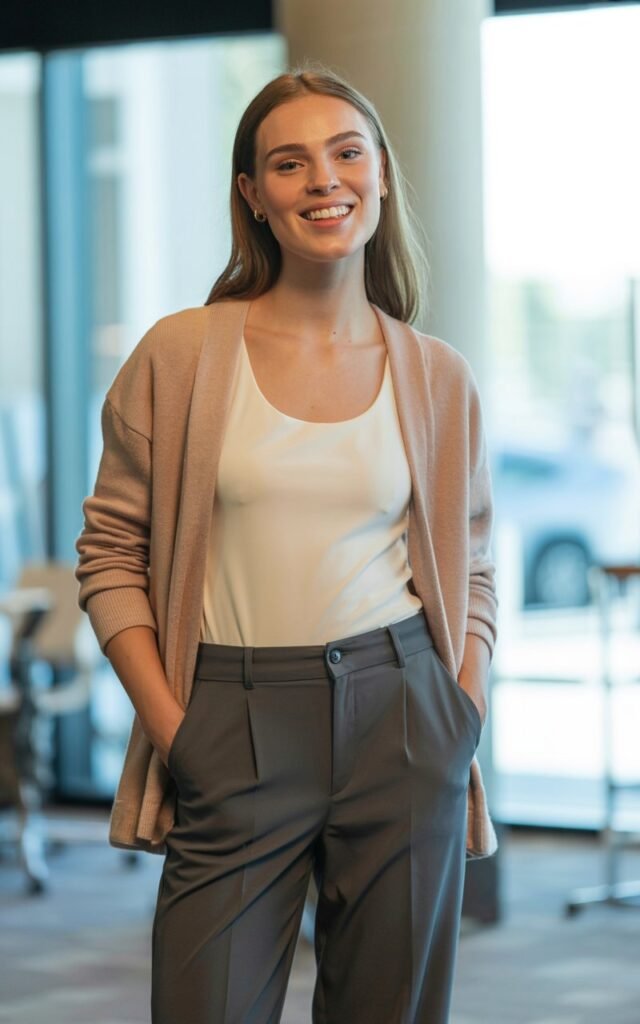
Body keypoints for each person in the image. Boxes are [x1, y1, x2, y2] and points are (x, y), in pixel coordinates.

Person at [75, 62, 498, 1024]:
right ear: (253, 196)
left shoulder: (437, 375)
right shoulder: (180, 356)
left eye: (347, 154)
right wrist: (179, 731)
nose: (324, 180)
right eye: (290, 163)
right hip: (233, 715)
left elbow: (471, 563)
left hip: (403, 717)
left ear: (382, 176)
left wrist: (459, 709)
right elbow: (110, 556)